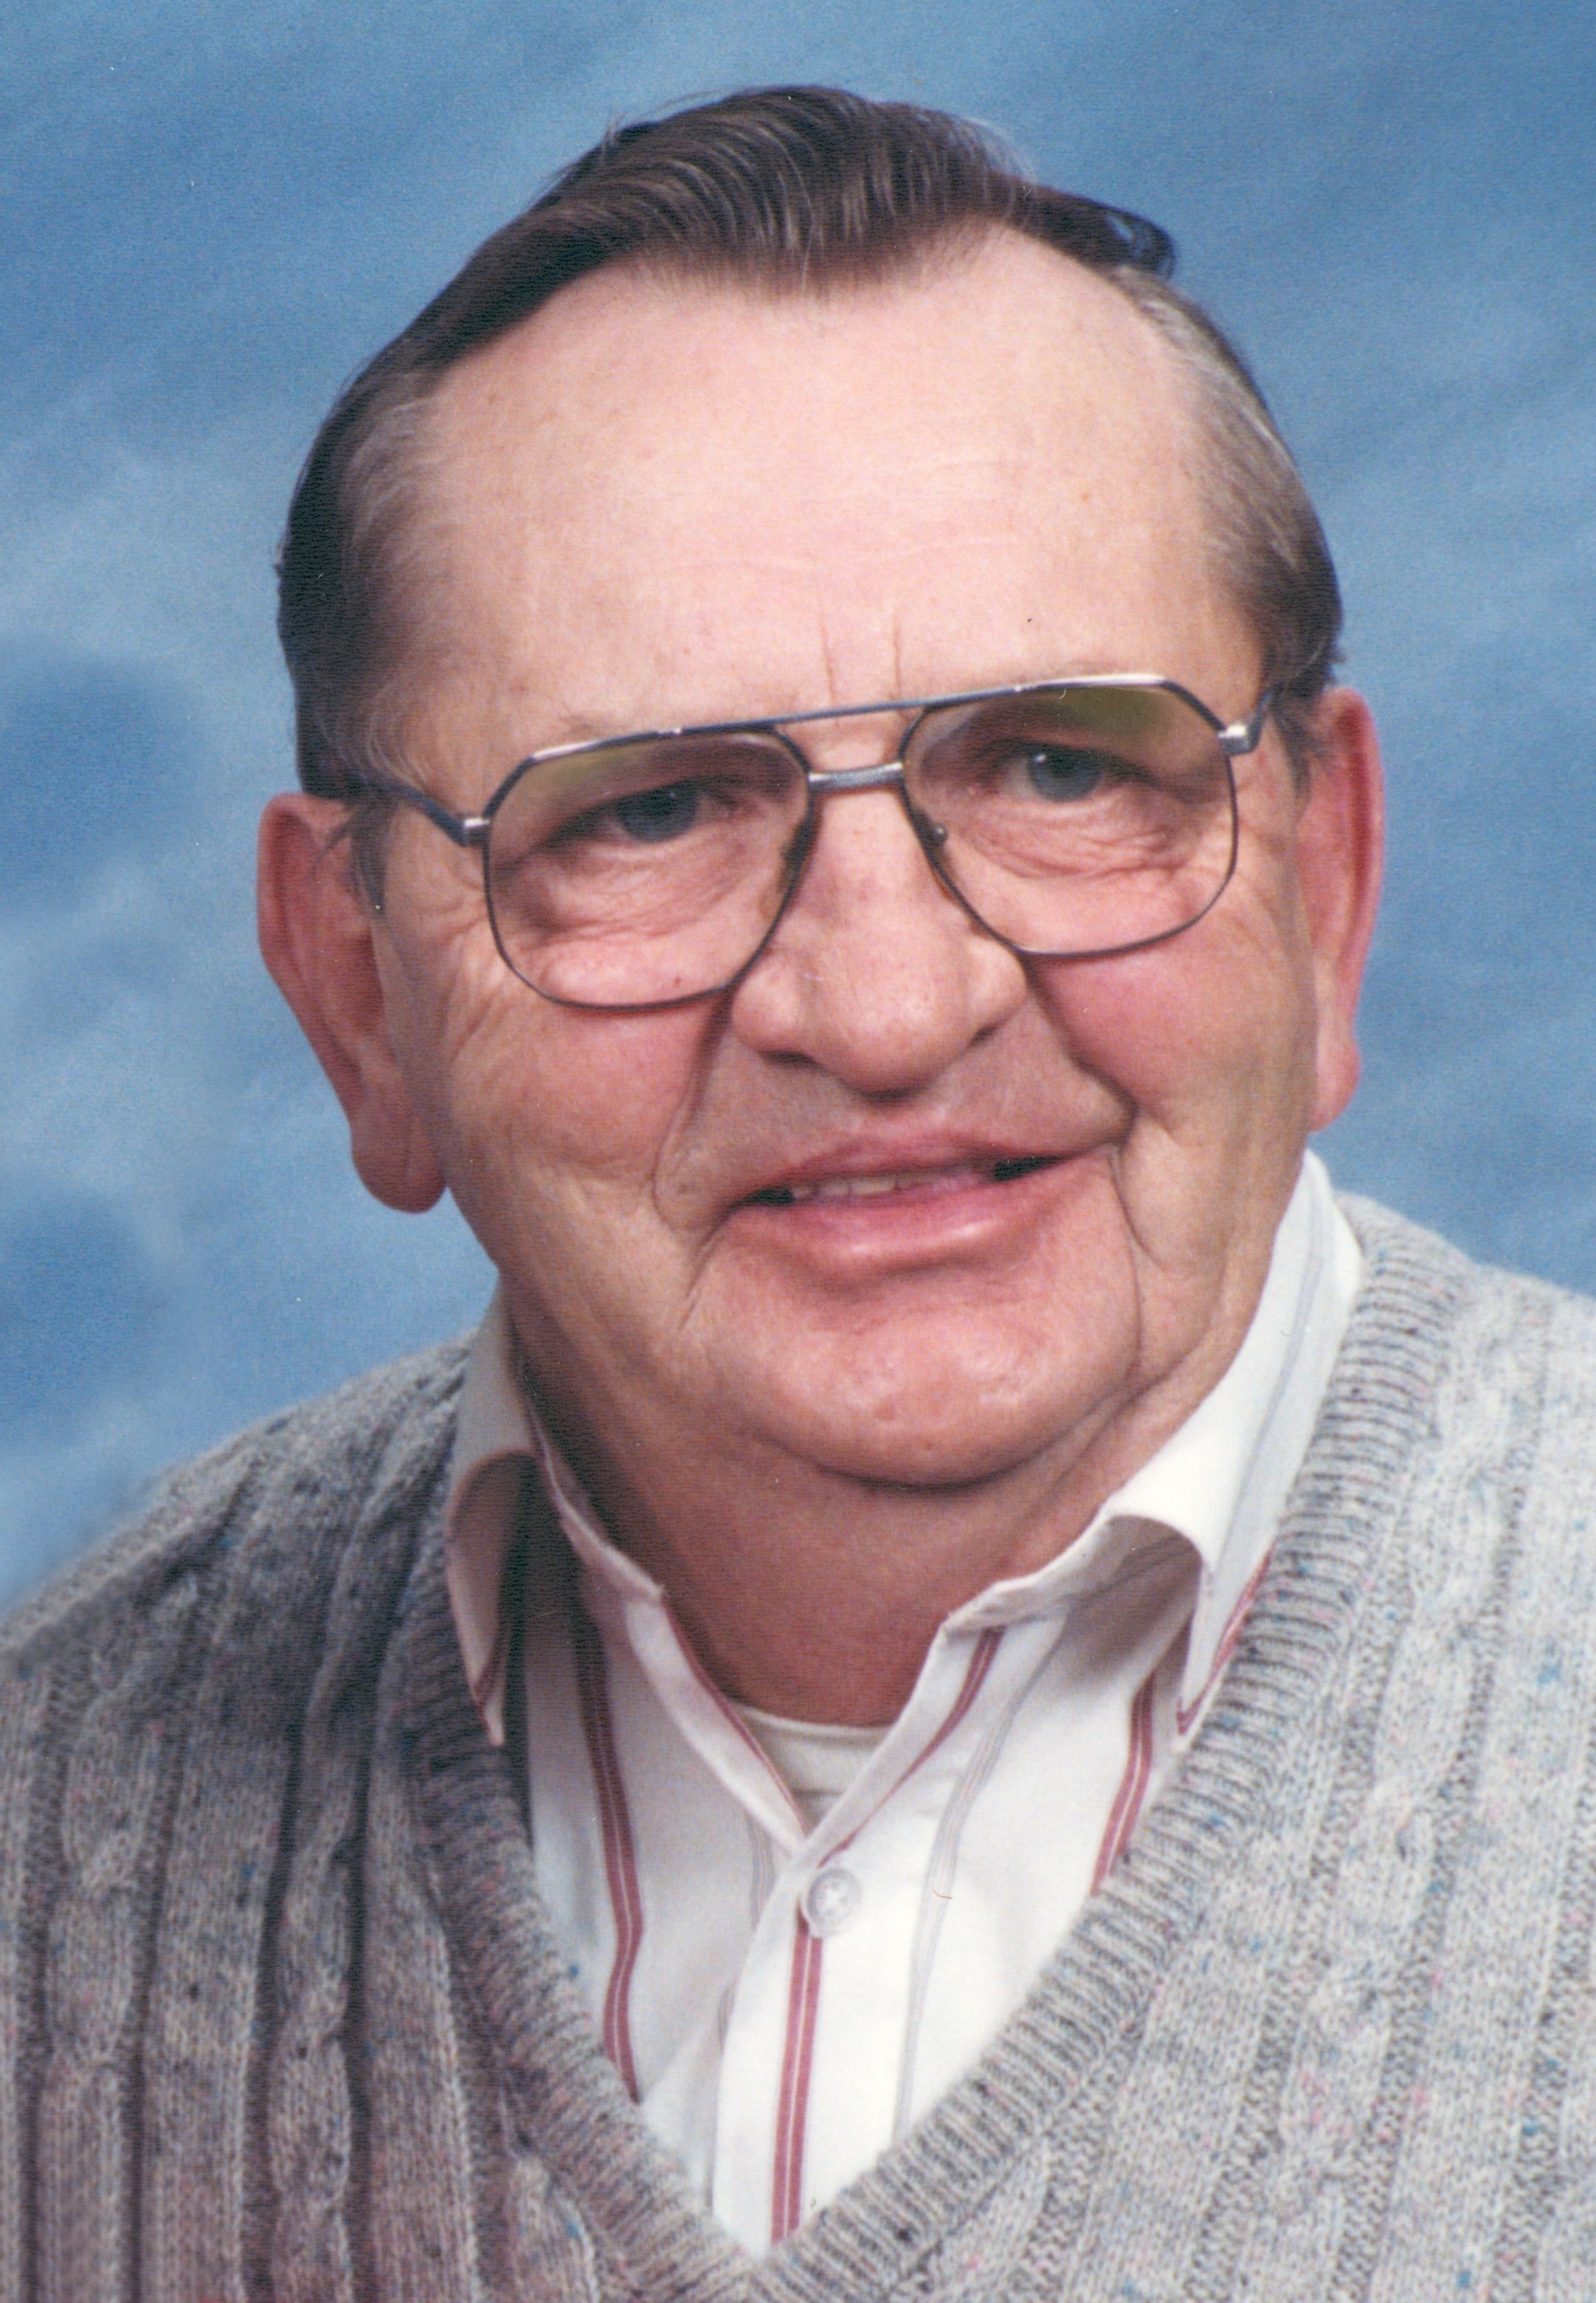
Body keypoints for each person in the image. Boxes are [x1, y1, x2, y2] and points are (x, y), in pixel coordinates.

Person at [3, 83, 1594, 2303]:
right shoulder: (49, 1833)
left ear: (1323, 891)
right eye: (647, 812)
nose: (884, 1004)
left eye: (1061, 767)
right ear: (355, 992)